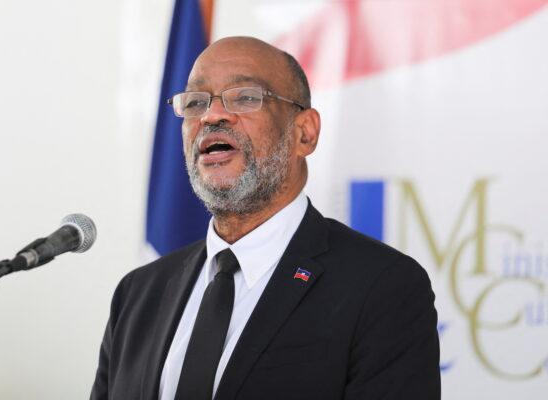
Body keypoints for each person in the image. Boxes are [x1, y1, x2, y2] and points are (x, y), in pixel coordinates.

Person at [90, 36, 440, 400]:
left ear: (305, 133)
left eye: (244, 97)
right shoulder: (138, 293)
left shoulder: (383, 288)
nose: (210, 116)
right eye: (195, 103)